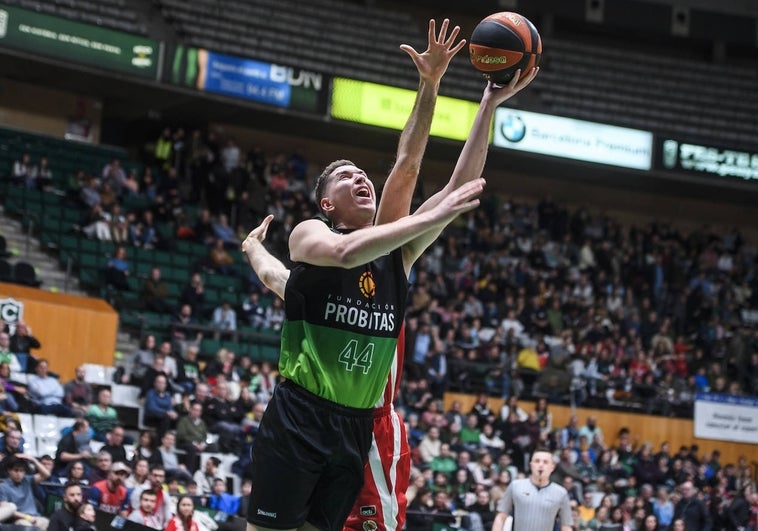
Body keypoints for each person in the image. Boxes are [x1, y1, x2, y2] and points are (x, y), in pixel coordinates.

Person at [243, 40, 538, 531]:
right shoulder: (312, 234)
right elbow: (344, 252)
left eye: (362, 173)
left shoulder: (395, 257)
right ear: (327, 205)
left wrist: (488, 101)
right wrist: (436, 213)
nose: (359, 176)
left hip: (356, 427)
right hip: (301, 416)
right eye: (343, 176)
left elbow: (444, 179)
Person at [492, 448, 573, 531]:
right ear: (531, 465)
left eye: (545, 462)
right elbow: (501, 517)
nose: (541, 465)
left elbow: (566, 526)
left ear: (552, 467)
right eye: (537, 461)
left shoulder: (561, 493)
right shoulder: (515, 486)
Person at [0, 454, 52, 529]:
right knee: (26, 526)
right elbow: (7, 510)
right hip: (19, 519)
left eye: (21, 471)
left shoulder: (27, 480)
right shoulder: (3, 486)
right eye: (16, 470)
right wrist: (27, 517)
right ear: (9, 471)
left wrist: (33, 460)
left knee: (48, 523)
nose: (19, 474)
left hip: (35, 517)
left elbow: (46, 474)